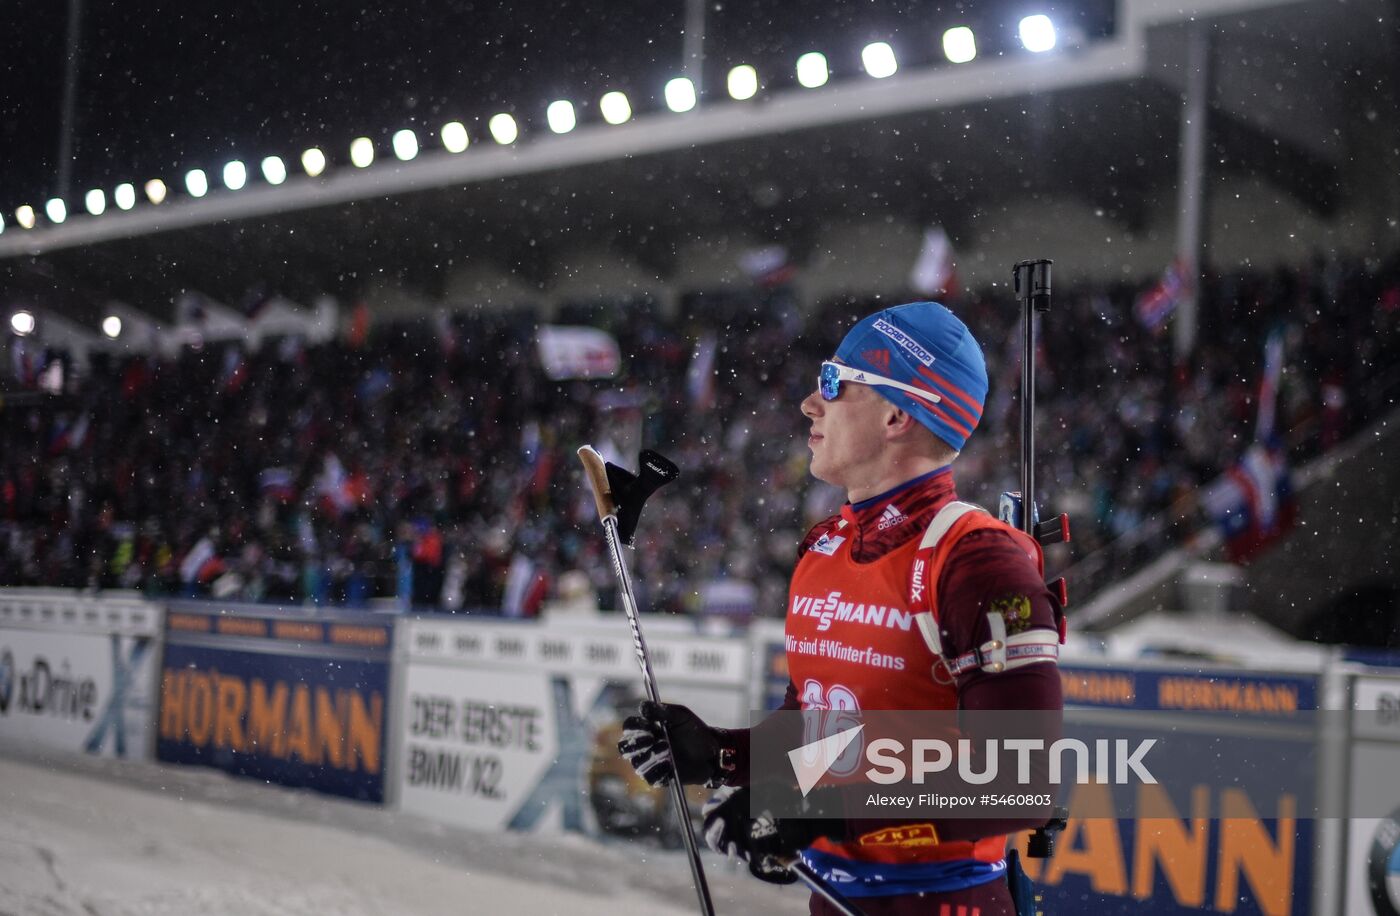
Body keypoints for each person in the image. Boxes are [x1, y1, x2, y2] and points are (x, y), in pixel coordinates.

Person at [619, 301, 1065, 915]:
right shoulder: (825, 547)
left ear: (897, 415)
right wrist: (722, 753)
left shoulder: (978, 560)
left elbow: (1019, 785)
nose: (810, 403)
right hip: (833, 900)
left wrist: (817, 811)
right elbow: (821, 732)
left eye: (834, 383)